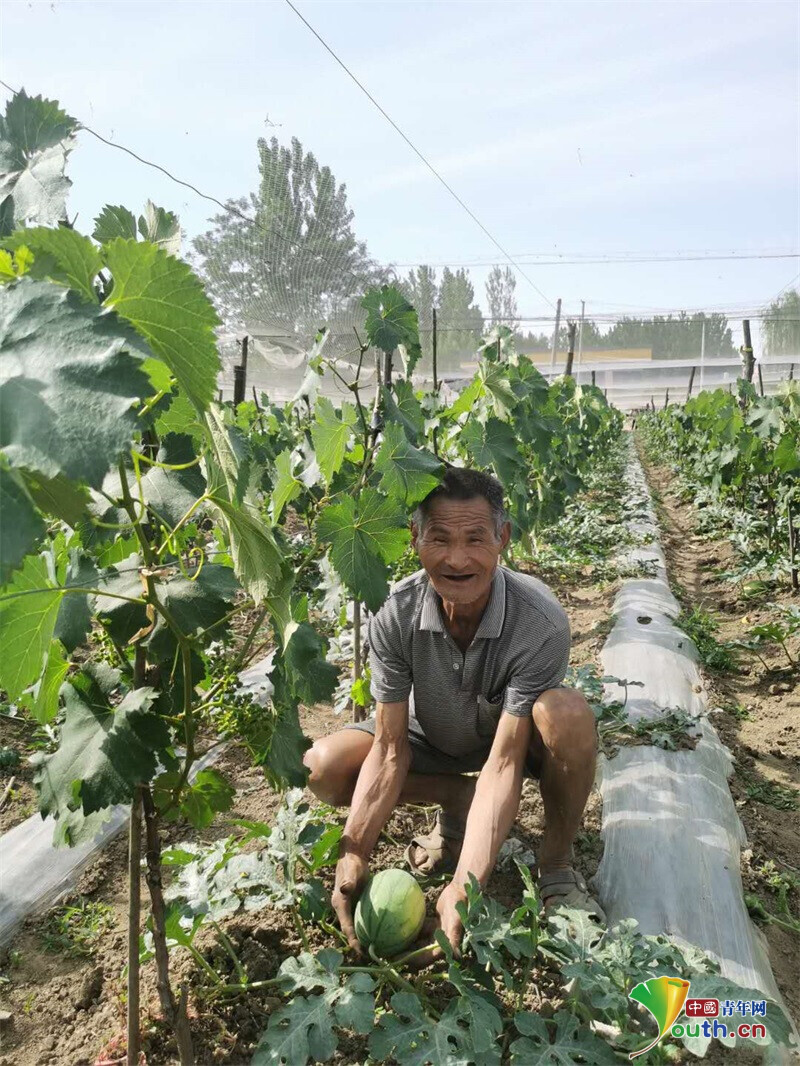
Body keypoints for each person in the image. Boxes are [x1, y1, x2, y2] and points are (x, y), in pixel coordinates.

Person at [303, 465, 605, 957]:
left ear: (503, 538)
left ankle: (555, 863)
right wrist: (355, 848)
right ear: (415, 538)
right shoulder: (394, 612)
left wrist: (464, 886)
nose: (457, 559)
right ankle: (456, 797)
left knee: (567, 715)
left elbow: (505, 762)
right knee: (323, 768)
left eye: (475, 539)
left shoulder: (540, 621)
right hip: (429, 735)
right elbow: (390, 745)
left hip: (508, 739)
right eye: (439, 539)